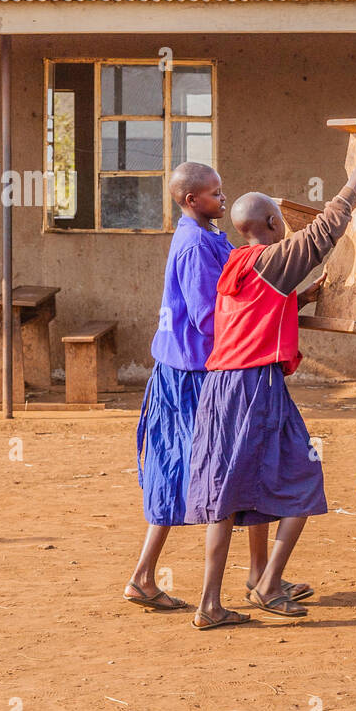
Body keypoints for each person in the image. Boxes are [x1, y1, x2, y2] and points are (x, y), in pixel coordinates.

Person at [184, 126, 356, 629]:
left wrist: (306, 297)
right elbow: (325, 231)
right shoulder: (273, 257)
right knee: (304, 477)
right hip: (256, 388)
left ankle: (211, 603)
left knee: (225, 497)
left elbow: (262, 305)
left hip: (220, 389)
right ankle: (269, 583)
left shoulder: (237, 263)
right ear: (274, 223)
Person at [124, 162, 230, 612]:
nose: (222, 198)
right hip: (187, 373)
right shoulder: (194, 248)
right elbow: (209, 318)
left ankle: (144, 576)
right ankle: (247, 585)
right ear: (191, 201)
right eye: (214, 193)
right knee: (207, 469)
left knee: (181, 467)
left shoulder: (207, 238)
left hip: (184, 367)